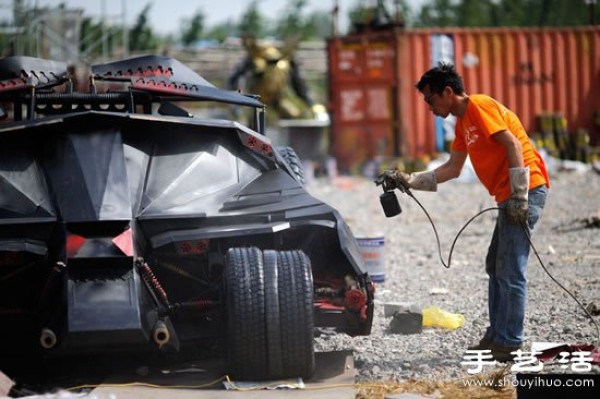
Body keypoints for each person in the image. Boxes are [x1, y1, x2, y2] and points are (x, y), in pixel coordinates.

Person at [380, 63, 550, 362]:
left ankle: (509, 343)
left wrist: (520, 195)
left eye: (431, 100)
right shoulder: (462, 125)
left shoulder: (479, 106)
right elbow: (452, 169)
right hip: (508, 195)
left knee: (510, 268)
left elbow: (511, 142)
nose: (430, 107)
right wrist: (408, 180)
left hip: (525, 190)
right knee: (495, 265)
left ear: (448, 92)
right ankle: (497, 335)